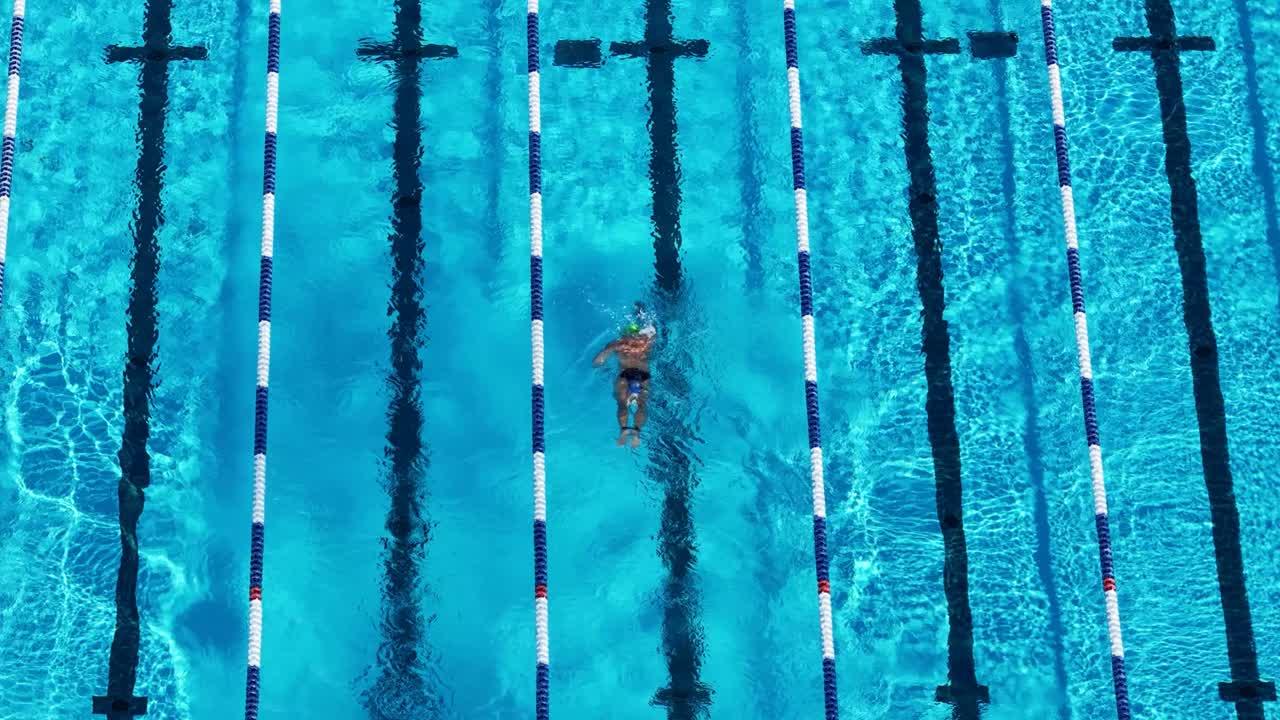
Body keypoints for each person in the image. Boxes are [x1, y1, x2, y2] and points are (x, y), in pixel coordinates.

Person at [593, 303, 656, 447]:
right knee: (642, 404)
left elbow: (597, 361)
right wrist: (641, 312)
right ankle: (637, 431)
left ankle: (623, 429)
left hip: (624, 375)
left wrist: (602, 365)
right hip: (643, 375)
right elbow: (653, 329)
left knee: (622, 403)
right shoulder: (645, 343)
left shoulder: (618, 344)